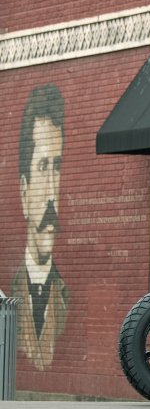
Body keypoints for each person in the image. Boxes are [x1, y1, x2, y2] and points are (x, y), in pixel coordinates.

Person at [13, 84, 69, 372]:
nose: (51, 192)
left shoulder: (65, 294)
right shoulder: (8, 294)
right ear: (23, 191)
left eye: (57, 167)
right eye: (43, 166)